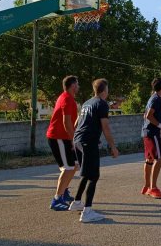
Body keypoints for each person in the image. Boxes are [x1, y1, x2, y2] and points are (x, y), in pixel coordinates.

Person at [68, 78, 119, 222]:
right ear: (105, 90)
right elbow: (105, 127)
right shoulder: (102, 104)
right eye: (107, 89)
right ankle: (87, 212)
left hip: (78, 140)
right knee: (94, 176)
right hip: (88, 142)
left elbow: (77, 123)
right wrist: (113, 147)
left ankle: (77, 202)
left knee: (86, 173)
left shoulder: (87, 103)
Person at [46, 75, 80, 211]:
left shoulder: (67, 97)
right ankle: (56, 200)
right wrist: (73, 140)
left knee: (74, 165)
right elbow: (66, 122)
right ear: (73, 86)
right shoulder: (67, 99)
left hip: (64, 137)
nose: (78, 86)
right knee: (68, 168)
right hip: (58, 137)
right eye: (77, 84)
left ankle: (64, 191)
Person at [141, 78, 161, 199]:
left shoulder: (152, 98)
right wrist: (160, 126)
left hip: (146, 132)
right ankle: (153, 188)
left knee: (149, 159)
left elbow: (145, 115)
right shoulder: (157, 99)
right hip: (152, 133)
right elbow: (148, 115)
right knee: (160, 158)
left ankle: (147, 187)